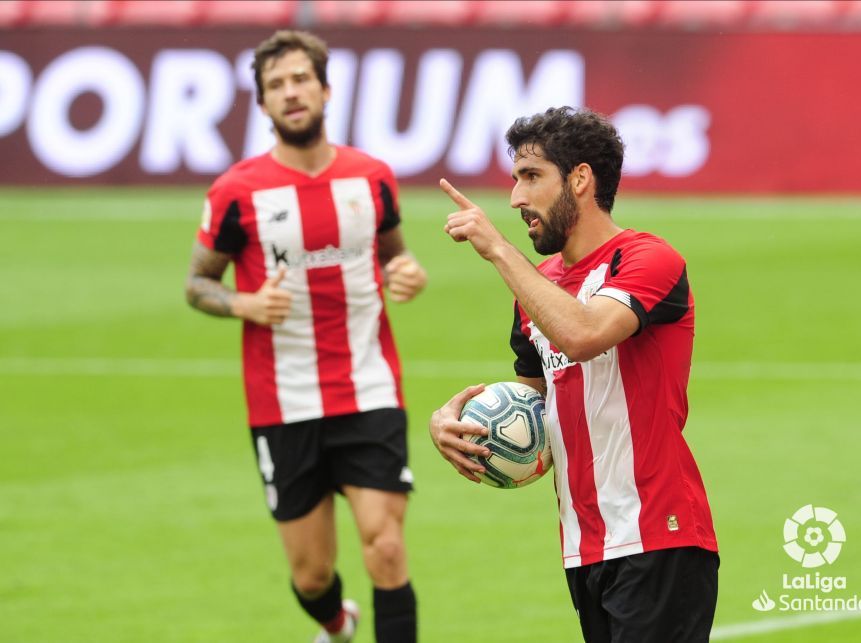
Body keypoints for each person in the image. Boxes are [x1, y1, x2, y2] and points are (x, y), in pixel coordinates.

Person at [429, 106, 718, 642]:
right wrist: (458, 423)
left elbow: (584, 335)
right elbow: (535, 400)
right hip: (584, 547)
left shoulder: (647, 259)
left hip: (660, 535)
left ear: (580, 179)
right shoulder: (538, 288)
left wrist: (498, 250)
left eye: (531, 176)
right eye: (515, 179)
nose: (515, 198)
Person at [185, 30, 426, 643]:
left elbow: (395, 256)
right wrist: (244, 303)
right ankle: (337, 624)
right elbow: (197, 284)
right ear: (262, 103)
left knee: (386, 547)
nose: (290, 93)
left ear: (325, 89)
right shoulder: (236, 191)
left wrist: (407, 271)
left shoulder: (372, 178)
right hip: (283, 400)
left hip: (368, 387)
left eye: (300, 79)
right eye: (276, 85)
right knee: (312, 575)